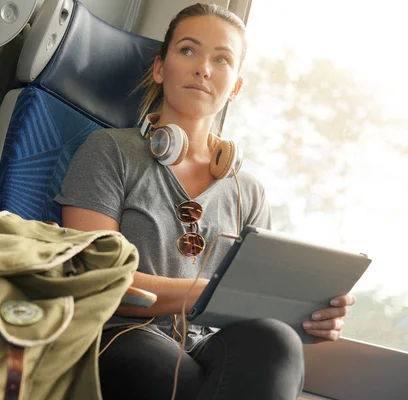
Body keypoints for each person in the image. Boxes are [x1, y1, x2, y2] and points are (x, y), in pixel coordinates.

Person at [54, 3, 355, 399]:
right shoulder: (110, 152)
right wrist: (211, 291)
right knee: (188, 379)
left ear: (235, 86)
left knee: (276, 341)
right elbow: (98, 280)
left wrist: (309, 313)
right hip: (117, 336)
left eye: (222, 59)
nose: (203, 69)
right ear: (161, 68)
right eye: (188, 51)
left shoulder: (248, 190)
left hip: (202, 343)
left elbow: (258, 297)